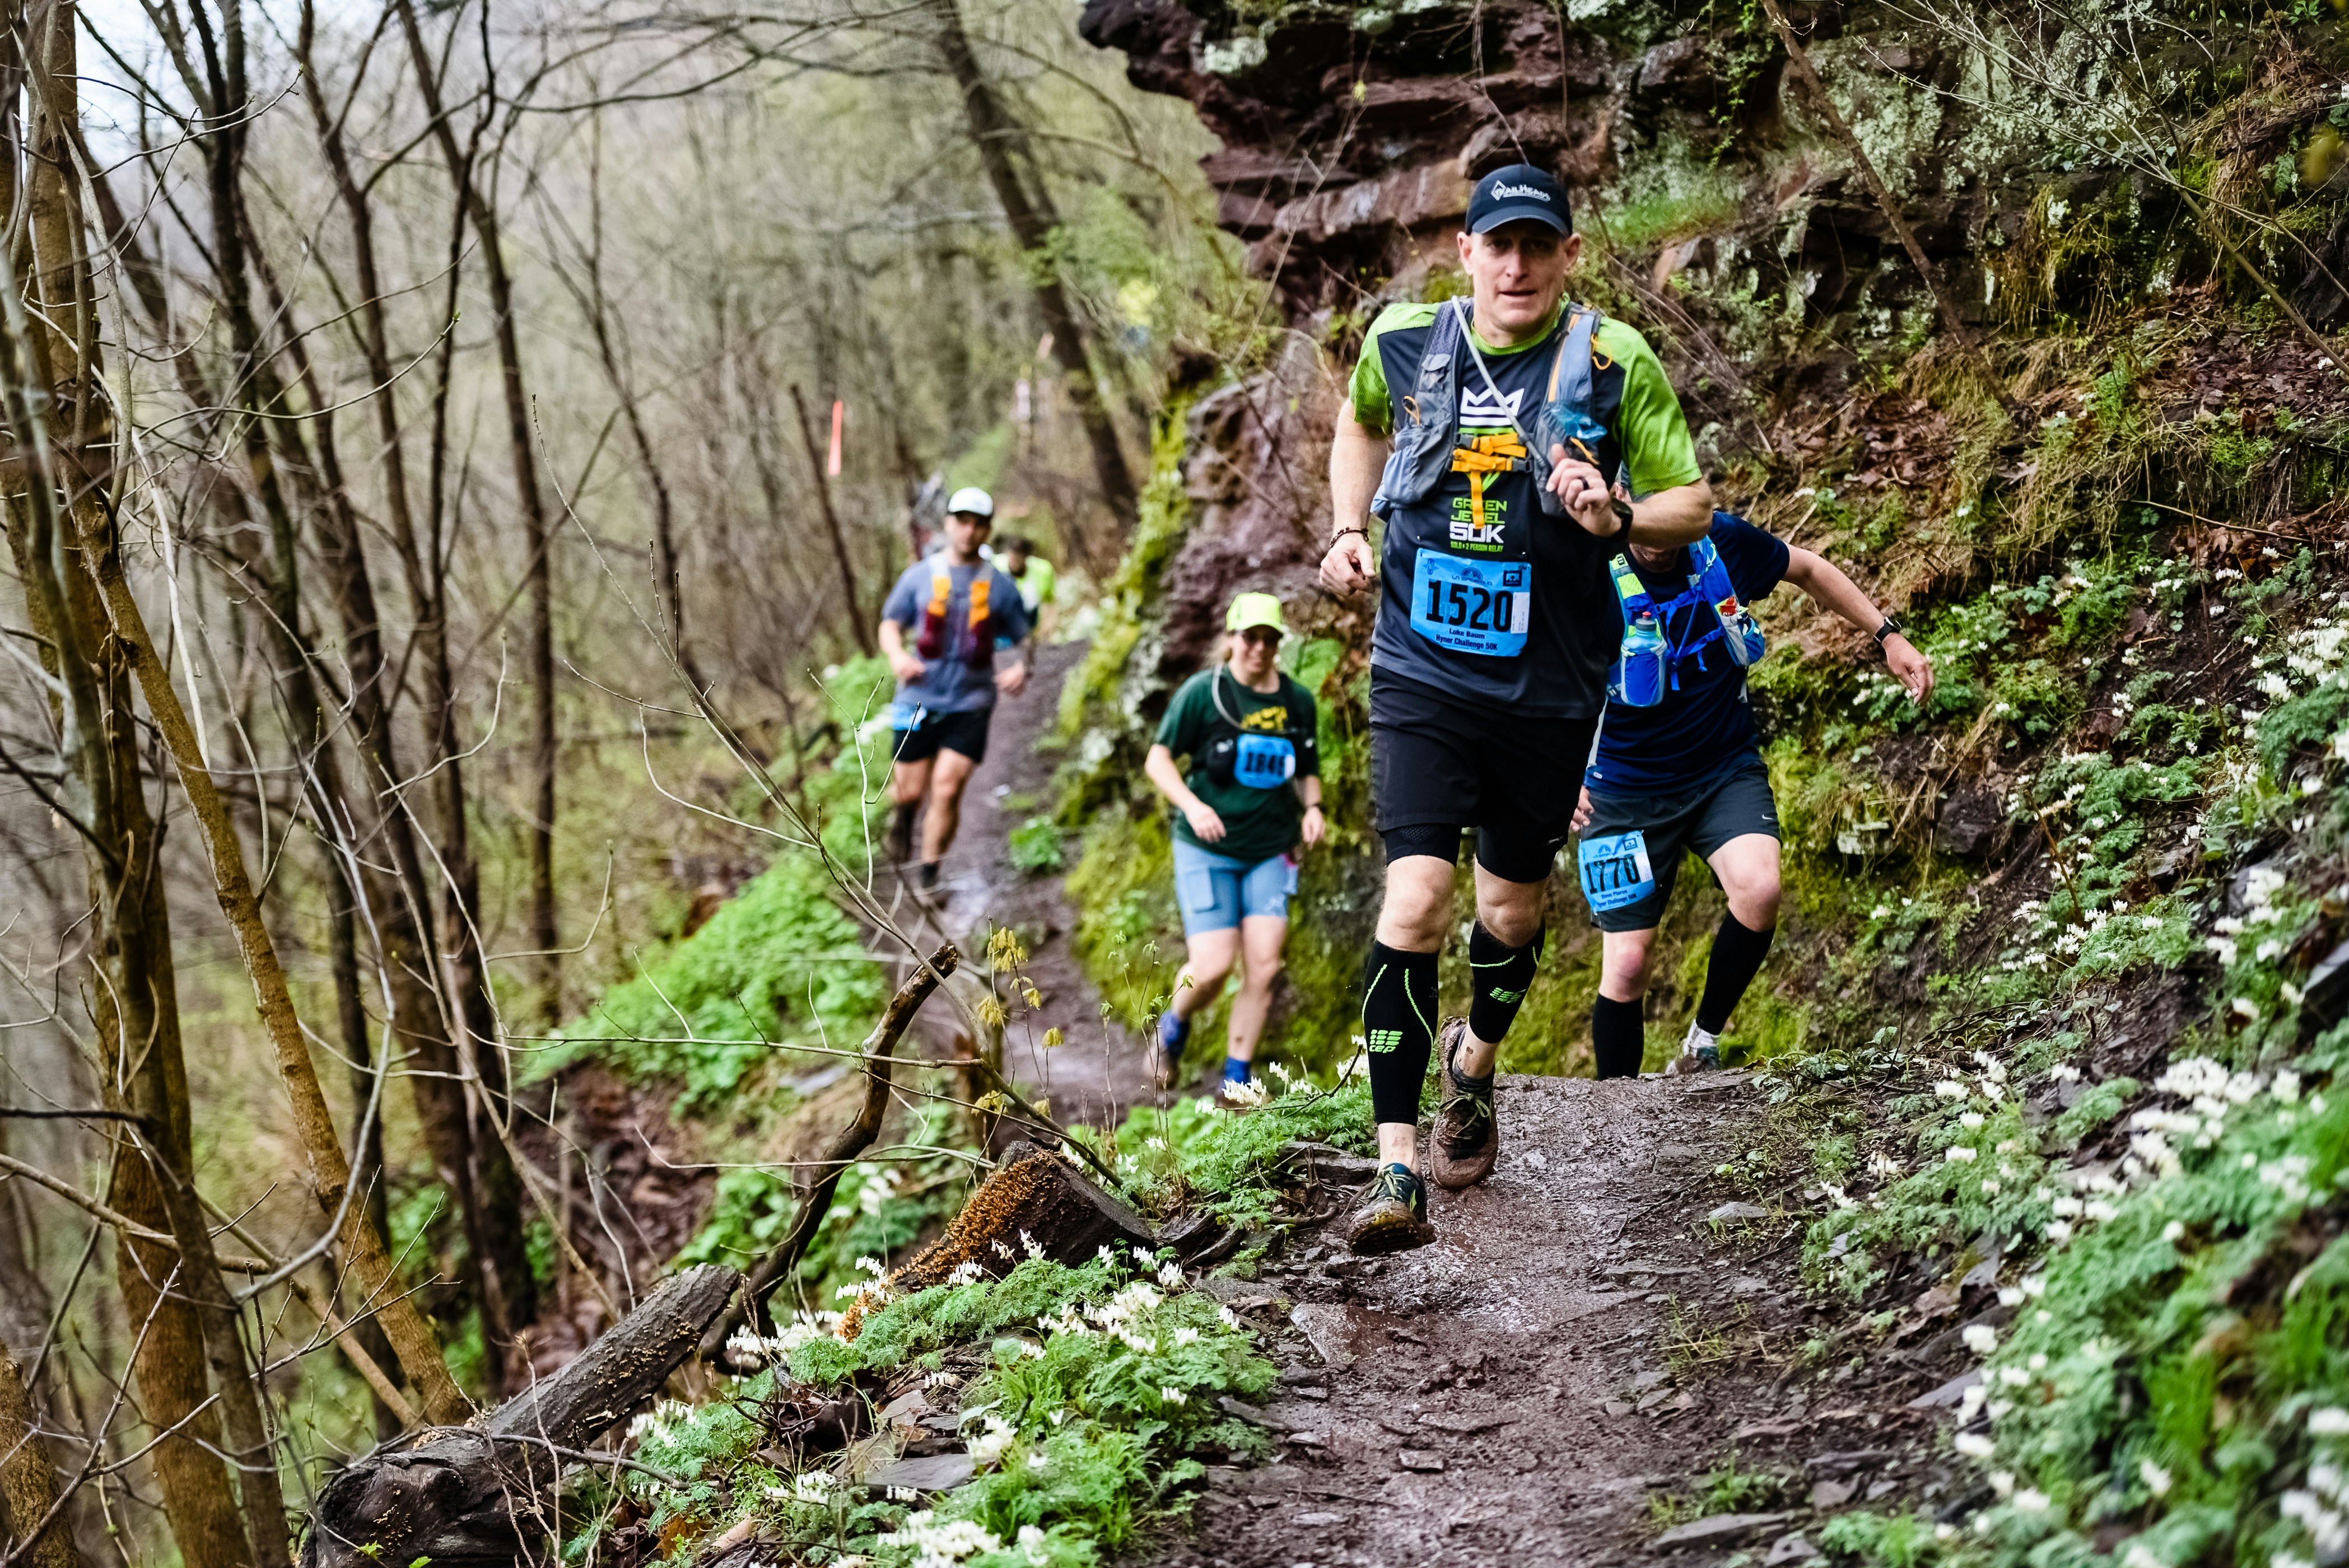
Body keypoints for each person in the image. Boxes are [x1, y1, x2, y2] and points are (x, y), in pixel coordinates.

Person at [1320, 162, 1716, 1256]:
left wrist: (1623, 506)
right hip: (1420, 672)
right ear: (1467, 251)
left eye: (1540, 245)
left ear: (1569, 256)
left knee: (1510, 914)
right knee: (1414, 902)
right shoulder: (1401, 340)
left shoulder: (1608, 357)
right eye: (1500, 244)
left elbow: (1696, 502)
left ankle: (1476, 1060)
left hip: (1547, 689)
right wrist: (1351, 525)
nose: (1518, 264)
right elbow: (1358, 424)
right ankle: (1397, 1162)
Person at [1572, 517, 1933, 1075]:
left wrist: (1887, 634)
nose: (1662, 532)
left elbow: (1809, 568)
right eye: (1649, 511)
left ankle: (1702, 1043)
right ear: (1621, 503)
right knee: (1627, 965)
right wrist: (1551, 771)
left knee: (1760, 889)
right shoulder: (1582, 565)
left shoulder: (1720, 541)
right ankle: (1616, 1117)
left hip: (1722, 769)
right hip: (1622, 792)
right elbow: (1536, 664)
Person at [1143, 592, 1326, 1104]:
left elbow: (1308, 769)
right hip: (1208, 848)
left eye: (1271, 639)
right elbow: (1159, 760)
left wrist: (1313, 808)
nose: (1261, 649)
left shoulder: (1297, 702)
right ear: (1232, 639)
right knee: (1213, 966)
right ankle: (1175, 1024)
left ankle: (1235, 1080)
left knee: (1264, 966)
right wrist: (1193, 804)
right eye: (1251, 637)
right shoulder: (1203, 694)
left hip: (1272, 848)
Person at [878, 488, 1032, 891]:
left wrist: (1022, 667)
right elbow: (890, 623)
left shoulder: (999, 586)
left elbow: (1023, 636)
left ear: (988, 530)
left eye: (979, 524)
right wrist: (896, 656)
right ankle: (904, 818)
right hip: (917, 700)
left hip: (972, 703)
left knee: (946, 791)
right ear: (948, 524)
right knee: (909, 791)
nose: (969, 531)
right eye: (962, 521)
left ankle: (930, 876)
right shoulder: (918, 577)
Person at [997, 535, 1060, 640]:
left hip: (1029, 618)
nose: (1013, 563)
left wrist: (1048, 626)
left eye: (1017, 560)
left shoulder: (1042, 571)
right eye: (1011, 558)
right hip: (1003, 622)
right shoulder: (997, 567)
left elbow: (1050, 601)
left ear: (1026, 558)